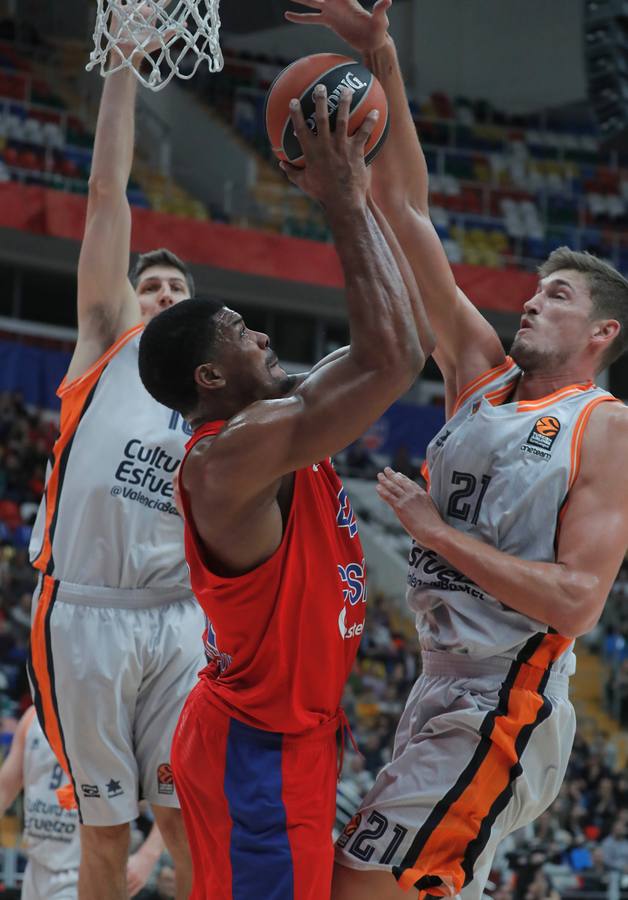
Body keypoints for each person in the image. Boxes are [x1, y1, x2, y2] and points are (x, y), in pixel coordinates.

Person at [286, 3, 628, 899]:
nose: (530, 303)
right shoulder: (479, 372)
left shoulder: (606, 424)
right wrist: (382, 60)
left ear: (601, 332)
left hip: (508, 697)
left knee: (356, 885)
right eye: (533, 291)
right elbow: (402, 213)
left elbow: (577, 603)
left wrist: (434, 534)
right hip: (439, 688)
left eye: (555, 297)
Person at [138, 86, 433, 900]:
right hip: (255, 750)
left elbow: (408, 340)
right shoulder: (227, 457)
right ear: (208, 377)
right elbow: (394, 363)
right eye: (241, 333)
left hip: (284, 741)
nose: (263, 335)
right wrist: (342, 197)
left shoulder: (279, 419)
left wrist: (365, 197)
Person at [27, 15, 205, 900]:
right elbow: (107, 196)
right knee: (105, 836)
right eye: (152, 285)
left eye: (180, 289)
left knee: (184, 821)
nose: (165, 293)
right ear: (131, 301)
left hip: (179, 619)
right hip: (87, 614)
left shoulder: (217, 397)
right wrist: (127, 67)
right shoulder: (105, 342)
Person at [0, 707, 164, 899]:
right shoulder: (33, 716)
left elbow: (170, 794)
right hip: (36, 867)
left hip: (87, 869)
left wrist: (148, 855)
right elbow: (4, 789)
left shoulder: (121, 713)